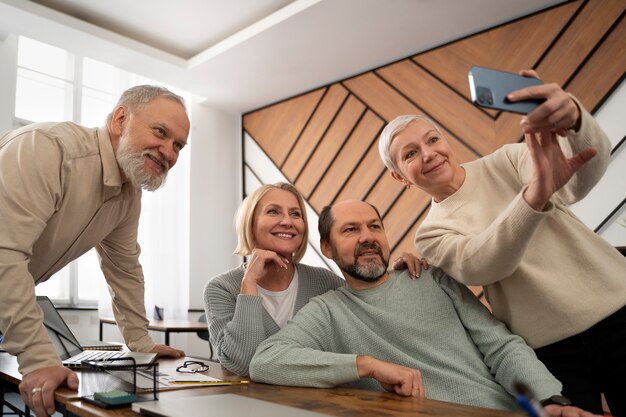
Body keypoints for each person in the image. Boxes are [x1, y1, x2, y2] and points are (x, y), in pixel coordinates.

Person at [377, 70, 626, 415]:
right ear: (398, 177)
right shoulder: (431, 234)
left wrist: (575, 119)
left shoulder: (507, 159)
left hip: (618, 312)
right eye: (410, 154)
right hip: (551, 351)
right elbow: (485, 264)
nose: (429, 154)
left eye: (433, 140)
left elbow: (576, 183)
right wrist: (533, 198)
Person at [250, 200, 598, 417]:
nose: (368, 237)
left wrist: (549, 400)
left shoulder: (433, 279)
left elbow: (501, 347)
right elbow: (266, 361)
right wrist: (367, 366)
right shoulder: (327, 311)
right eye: (351, 230)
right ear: (327, 247)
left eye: (375, 226)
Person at [0, 85, 189, 417]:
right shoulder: (48, 149)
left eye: (178, 146)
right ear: (119, 119)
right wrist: (39, 358)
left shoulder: (128, 196)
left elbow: (125, 270)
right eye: (160, 132)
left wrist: (141, 345)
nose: (169, 153)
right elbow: (4, 254)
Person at [204, 182, 425, 376]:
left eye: (295, 214)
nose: (287, 222)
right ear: (250, 224)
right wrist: (249, 283)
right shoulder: (221, 289)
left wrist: (396, 273)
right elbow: (242, 364)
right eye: (273, 212)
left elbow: (368, 303)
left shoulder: (324, 281)